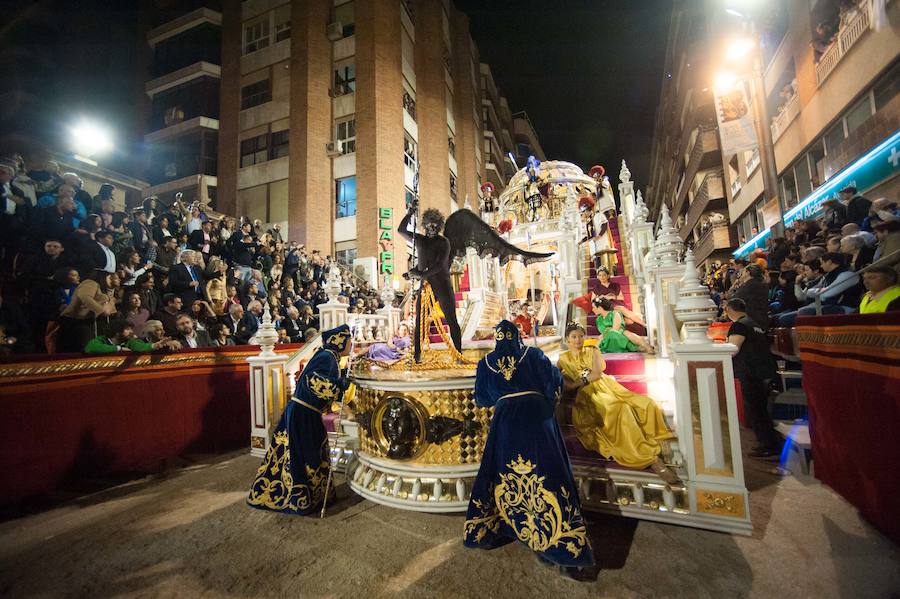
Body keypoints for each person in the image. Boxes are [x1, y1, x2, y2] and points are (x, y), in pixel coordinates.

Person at [464, 321, 594, 578]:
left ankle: (496, 529)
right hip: (538, 418)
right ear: (518, 337)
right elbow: (553, 384)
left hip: (506, 421)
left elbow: (481, 399)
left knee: (500, 473)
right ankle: (561, 546)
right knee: (549, 472)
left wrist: (503, 394)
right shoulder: (533, 354)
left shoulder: (485, 363)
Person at [247, 324, 352, 515]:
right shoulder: (327, 356)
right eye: (349, 340)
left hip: (307, 413)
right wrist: (339, 384)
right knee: (306, 455)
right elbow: (312, 380)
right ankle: (302, 498)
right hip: (304, 414)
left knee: (310, 453)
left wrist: (341, 379)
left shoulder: (331, 356)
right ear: (339, 340)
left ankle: (315, 495)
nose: (351, 343)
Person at [557, 322, 678, 482]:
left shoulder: (592, 350)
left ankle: (650, 449)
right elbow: (558, 377)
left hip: (605, 386)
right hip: (586, 394)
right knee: (619, 409)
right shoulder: (563, 359)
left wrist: (577, 381)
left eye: (581, 336)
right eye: (574, 337)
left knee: (645, 404)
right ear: (567, 340)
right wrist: (569, 384)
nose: (578, 340)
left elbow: (597, 374)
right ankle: (651, 459)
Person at [397, 203, 463, 361]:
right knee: (419, 322)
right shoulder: (419, 239)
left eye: (435, 224)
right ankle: (417, 356)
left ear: (439, 226)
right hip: (426, 287)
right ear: (425, 225)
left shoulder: (444, 242)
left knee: (451, 319)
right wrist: (409, 213)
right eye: (429, 224)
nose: (432, 227)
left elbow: (440, 265)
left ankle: (459, 354)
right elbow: (401, 230)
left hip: (443, 285)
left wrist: (419, 273)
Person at [725, 299, 781, 458]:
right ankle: (769, 444)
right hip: (764, 371)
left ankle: (768, 445)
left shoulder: (739, 325)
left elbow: (733, 349)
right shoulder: (753, 324)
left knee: (757, 411)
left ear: (729, 309)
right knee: (762, 410)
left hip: (752, 373)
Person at [58, 270, 117, 352]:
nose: (112, 279)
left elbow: (109, 311)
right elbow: (85, 297)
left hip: (88, 323)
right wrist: (100, 310)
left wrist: (110, 301)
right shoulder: (91, 283)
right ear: (102, 277)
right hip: (75, 323)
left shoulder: (105, 292)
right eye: (109, 277)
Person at [84, 318, 167, 354]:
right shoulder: (101, 339)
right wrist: (118, 349)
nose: (131, 332)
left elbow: (141, 346)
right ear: (117, 332)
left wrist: (154, 345)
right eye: (127, 329)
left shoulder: (129, 342)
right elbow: (90, 348)